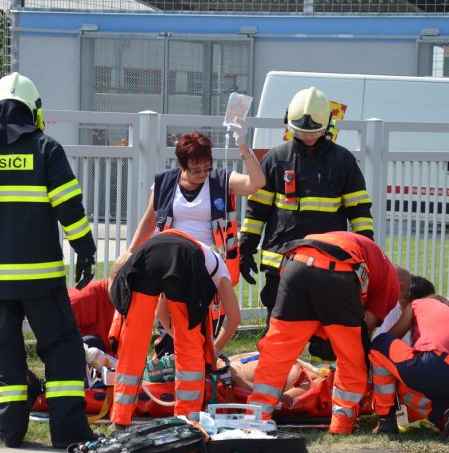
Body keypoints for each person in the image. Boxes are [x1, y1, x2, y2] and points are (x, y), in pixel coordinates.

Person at [0, 72, 98, 449]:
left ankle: (11, 432)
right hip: (41, 280)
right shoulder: (46, 150)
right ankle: (68, 432)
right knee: (62, 349)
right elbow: (69, 208)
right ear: (34, 110)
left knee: (6, 354)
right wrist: (85, 250)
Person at [238, 87, 375, 364]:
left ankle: (325, 382)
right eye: (301, 131)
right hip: (282, 266)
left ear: (328, 126)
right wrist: (246, 248)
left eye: (314, 131)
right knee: (278, 335)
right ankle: (274, 383)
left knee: (329, 339)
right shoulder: (276, 159)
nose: (308, 137)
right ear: (289, 124)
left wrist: (365, 252)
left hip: (329, 266)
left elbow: (359, 211)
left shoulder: (343, 161)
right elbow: (257, 210)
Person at [247, 231, 399, 435]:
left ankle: (257, 417)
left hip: (296, 261)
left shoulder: (374, 259)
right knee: (351, 355)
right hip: (337, 270)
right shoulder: (392, 284)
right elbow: (366, 326)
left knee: (278, 350)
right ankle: (341, 424)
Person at [108, 229, 241, 429]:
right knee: (190, 349)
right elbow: (234, 318)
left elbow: (161, 314)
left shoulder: (190, 251)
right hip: (184, 262)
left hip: (145, 255)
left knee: (132, 344)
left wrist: (176, 336)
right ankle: (186, 419)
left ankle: (120, 419)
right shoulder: (218, 265)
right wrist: (213, 351)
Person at [127, 123, 265, 285]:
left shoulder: (221, 180)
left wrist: (242, 145)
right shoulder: (164, 181)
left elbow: (257, 183)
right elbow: (150, 220)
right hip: (172, 262)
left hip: (210, 262)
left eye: (207, 168)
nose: (203, 174)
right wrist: (130, 252)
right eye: (196, 170)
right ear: (182, 165)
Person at [369, 296, 449, 439]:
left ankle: (385, 421)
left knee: (380, 343)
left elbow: (393, 336)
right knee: (408, 388)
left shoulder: (416, 304)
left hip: (436, 366)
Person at [68, 278, 117, 354]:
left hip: (115, 358)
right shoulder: (80, 300)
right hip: (76, 356)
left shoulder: (134, 301)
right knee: (92, 343)